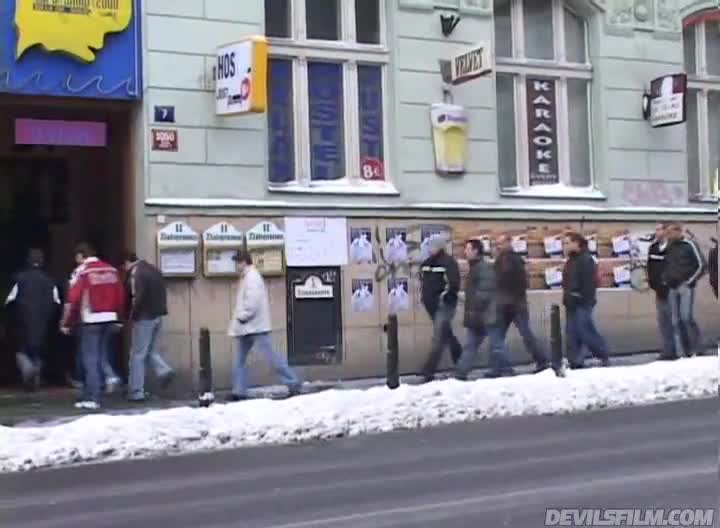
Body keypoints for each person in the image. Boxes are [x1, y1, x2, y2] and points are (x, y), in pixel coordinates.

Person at [227, 250, 302, 401]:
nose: (235, 266)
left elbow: (253, 302)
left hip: (254, 326)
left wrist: (243, 316)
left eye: (236, 263)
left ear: (243, 262)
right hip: (249, 326)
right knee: (240, 360)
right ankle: (238, 391)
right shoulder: (247, 277)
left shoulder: (252, 277)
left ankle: (293, 382)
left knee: (271, 358)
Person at [61, 243, 125, 409]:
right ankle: (105, 382)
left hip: (90, 319)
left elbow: (73, 299)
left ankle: (92, 397)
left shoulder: (82, 272)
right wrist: (119, 319)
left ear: (80, 256)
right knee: (102, 355)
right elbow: (120, 296)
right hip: (110, 318)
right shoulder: (112, 270)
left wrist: (67, 322)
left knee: (90, 359)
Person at [4, 249, 61, 390]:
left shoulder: (19, 279)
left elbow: (9, 301)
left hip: (23, 322)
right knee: (38, 352)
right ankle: (35, 380)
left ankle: (28, 370)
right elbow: (56, 302)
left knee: (22, 351)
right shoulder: (50, 280)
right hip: (44, 323)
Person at [455, 239, 513, 380]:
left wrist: (474, 304)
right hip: (479, 314)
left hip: (488, 314)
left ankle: (506, 369)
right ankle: (461, 373)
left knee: (496, 345)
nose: (465, 252)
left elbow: (486, 291)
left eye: (468, 249)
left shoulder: (483, 268)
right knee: (472, 345)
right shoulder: (476, 267)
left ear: (476, 251)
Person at [494, 235, 550, 373]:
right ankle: (500, 366)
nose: (498, 246)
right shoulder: (499, 260)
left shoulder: (515, 260)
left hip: (516, 305)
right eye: (497, 244)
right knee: (497, 337)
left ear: (509, 243)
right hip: (505, 304)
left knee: (526, 335)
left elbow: (522, 283)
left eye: (501, 243)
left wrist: (511, 297)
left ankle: (542, 361)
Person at [124, 253, 175, 402]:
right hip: (158, 315)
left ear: (127, 262)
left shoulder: (136, 273)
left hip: (144, 317)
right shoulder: (154, 270)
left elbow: (137, 297)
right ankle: (165, 371)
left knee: (137, 355)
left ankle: (136, 391)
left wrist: (132, 315)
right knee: (151, 350)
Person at [562, 233, 610, 369]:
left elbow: (590, 283)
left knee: (585, 330)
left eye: (567, 243)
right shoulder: (571, 261)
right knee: (572, 332)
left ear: (576, 243)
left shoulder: (586, 259)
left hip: (582, 302)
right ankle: (574, 360)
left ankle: (602, 354)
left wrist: (580, 295)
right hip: (571, 301)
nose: (565, 246)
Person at [420, 234, 462, 382]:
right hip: (431, 306)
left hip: (444, 306)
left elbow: (454, 283)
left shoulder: (448, 262)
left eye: (431, 246)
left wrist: (444, 297)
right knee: (446, 334)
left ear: (439, 247)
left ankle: (428, 370)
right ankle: (462, 362)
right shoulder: (426, 263)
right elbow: (423, 281)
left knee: (438, 338)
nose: (429, 248)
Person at [663, 224, 705, 357]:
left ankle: (698, 348)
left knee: (686, 317)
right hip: (672, 287)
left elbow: (702, 265)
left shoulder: (689, 244)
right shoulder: (669, 246)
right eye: (667, 233)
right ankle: (685, 351)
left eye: (670, 232)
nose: (668, 235)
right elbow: (666, 265)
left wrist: (690, 281)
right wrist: (665, 279)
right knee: (676, 321)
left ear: (678, 231)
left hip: (685, 286)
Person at [647, 223, 676, 360]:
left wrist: (669, 282)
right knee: (663, 321)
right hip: (658, 290)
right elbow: (650, 267)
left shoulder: (672, 248)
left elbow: (675, 267)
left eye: (659, 229)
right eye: (656, 230)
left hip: (671, 289)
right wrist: (653, 284)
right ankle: (667, 350)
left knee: (673, 321)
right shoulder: (653, 248)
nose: (656, 232)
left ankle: (677, 350)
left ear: (665, 231)